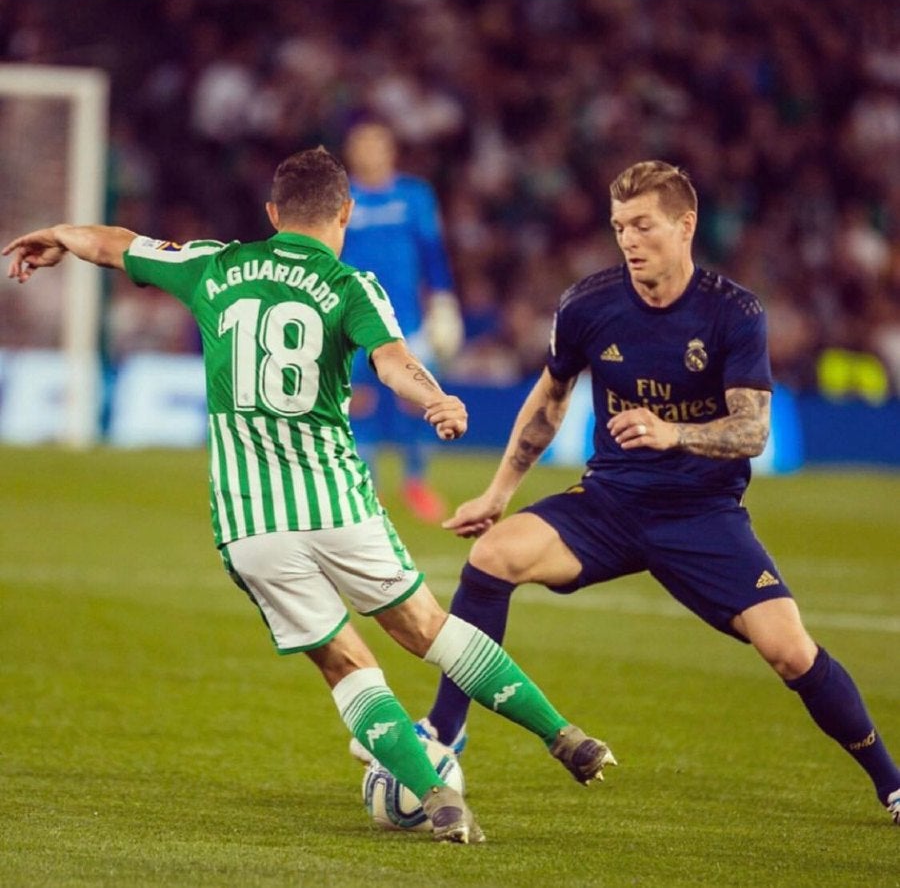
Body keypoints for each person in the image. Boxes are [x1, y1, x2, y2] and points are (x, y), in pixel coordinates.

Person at [3, 147, 616, 845]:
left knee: (345, 664)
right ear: (345, 212)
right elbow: (394, 365)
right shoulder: (353, 285)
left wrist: (58, 234)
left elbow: (116, 246)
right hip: (337, 504)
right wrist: (437, 399)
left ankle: (436, 795)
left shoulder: (216, 264)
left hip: (250, 521)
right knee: (428, 628)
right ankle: (564, 735)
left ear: (272, 215)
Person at [401, 160, 900, 826]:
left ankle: (891, 784)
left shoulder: (733, 312)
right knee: (494, 556)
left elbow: (752, 430)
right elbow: (550, 400)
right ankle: (443, 729)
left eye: (643, 225)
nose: (629, 241)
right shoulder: (589, 304)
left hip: (702, 515)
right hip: (610, 502)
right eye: (619, 228)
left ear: (685, 225)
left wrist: (673, 433)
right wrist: (499, 491)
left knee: (788, 650)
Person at [340, 116, 464, 523]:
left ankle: (415, 481)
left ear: (390, 151)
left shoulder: (415, 197)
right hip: (352, 318)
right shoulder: (342, 198)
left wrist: (443, 300)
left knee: (415, 400)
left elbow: (432, 252)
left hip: (405, 319)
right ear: (351, 153)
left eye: (376, 144)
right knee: (359, 402)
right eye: (362, 145)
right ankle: (367, 486)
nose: (369, 152)